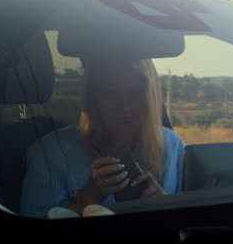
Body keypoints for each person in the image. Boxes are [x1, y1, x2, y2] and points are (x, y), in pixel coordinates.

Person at [20, 59, 185, 217]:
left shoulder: (172, 144)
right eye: (111, 95)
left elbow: (187, 219)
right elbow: (32, 233)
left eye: (134, 93)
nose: (124, 106)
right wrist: (88, 197)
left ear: (151, 97)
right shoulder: (52, 153)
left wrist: (163, 204)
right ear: (93, 100)